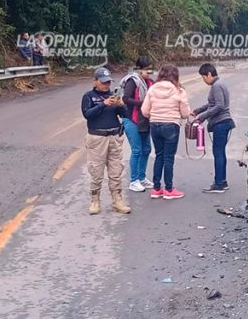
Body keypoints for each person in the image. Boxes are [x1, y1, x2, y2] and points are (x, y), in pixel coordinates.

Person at [81, 67, 131, 215]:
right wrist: (103, 104)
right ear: (95, 81)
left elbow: (125, 115)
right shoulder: (89, 96)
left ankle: (117, 200)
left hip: (114, 136)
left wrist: (121, 105)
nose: (106, 85)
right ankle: (95, 200)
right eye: (103, 82)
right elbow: (87, 114)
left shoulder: (113, 96)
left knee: (116, 170)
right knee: (96, 170)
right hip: (97, 138)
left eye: (108, 82)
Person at [141, 64, 191, 200]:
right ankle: (169, 189)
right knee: (169, 158)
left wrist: (155, 115)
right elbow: (186, 113)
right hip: (171, 125)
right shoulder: (179, 91)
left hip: (155, 125)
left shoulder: (152, 89)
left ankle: (156, 189)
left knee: (159, 156)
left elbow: (144, 111)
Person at [192, 63, 234, 193]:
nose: (203, 80)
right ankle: (222, 181)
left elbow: (219, 106)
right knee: (220, 152)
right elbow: (212, 103)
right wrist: (198, 110)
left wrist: (202, 117)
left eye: (204, 77)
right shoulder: (220, 83)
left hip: (221, 123)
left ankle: (219, 183)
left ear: (209, 74)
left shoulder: (216, 85)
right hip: (223, 123)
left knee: (218, 153)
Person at [121, 57, 154, 192]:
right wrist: (143, 103)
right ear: (139, 69)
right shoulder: (132, 81)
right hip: (131, 119)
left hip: (145, 120)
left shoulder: (150, 82)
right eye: (147, 70)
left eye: (150, 69)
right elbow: (126, 98)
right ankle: (133, 180)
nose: (149, 72)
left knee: (146, 149)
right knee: (137, 150)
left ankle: (142, 177)